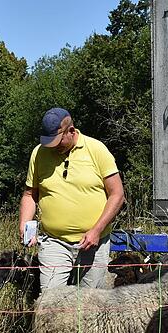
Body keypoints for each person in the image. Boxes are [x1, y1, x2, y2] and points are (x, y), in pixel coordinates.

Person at [19, 107, 125, 289]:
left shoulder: (96, 149)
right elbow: (29, 195)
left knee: (90, 301)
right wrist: (24, 224)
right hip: (54, 242)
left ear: (71, 131)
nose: (53, 147)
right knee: (50, 300)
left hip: (93, 243)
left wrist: (96, 230)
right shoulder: (39, 153)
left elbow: (117, 194)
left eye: (58, 141)